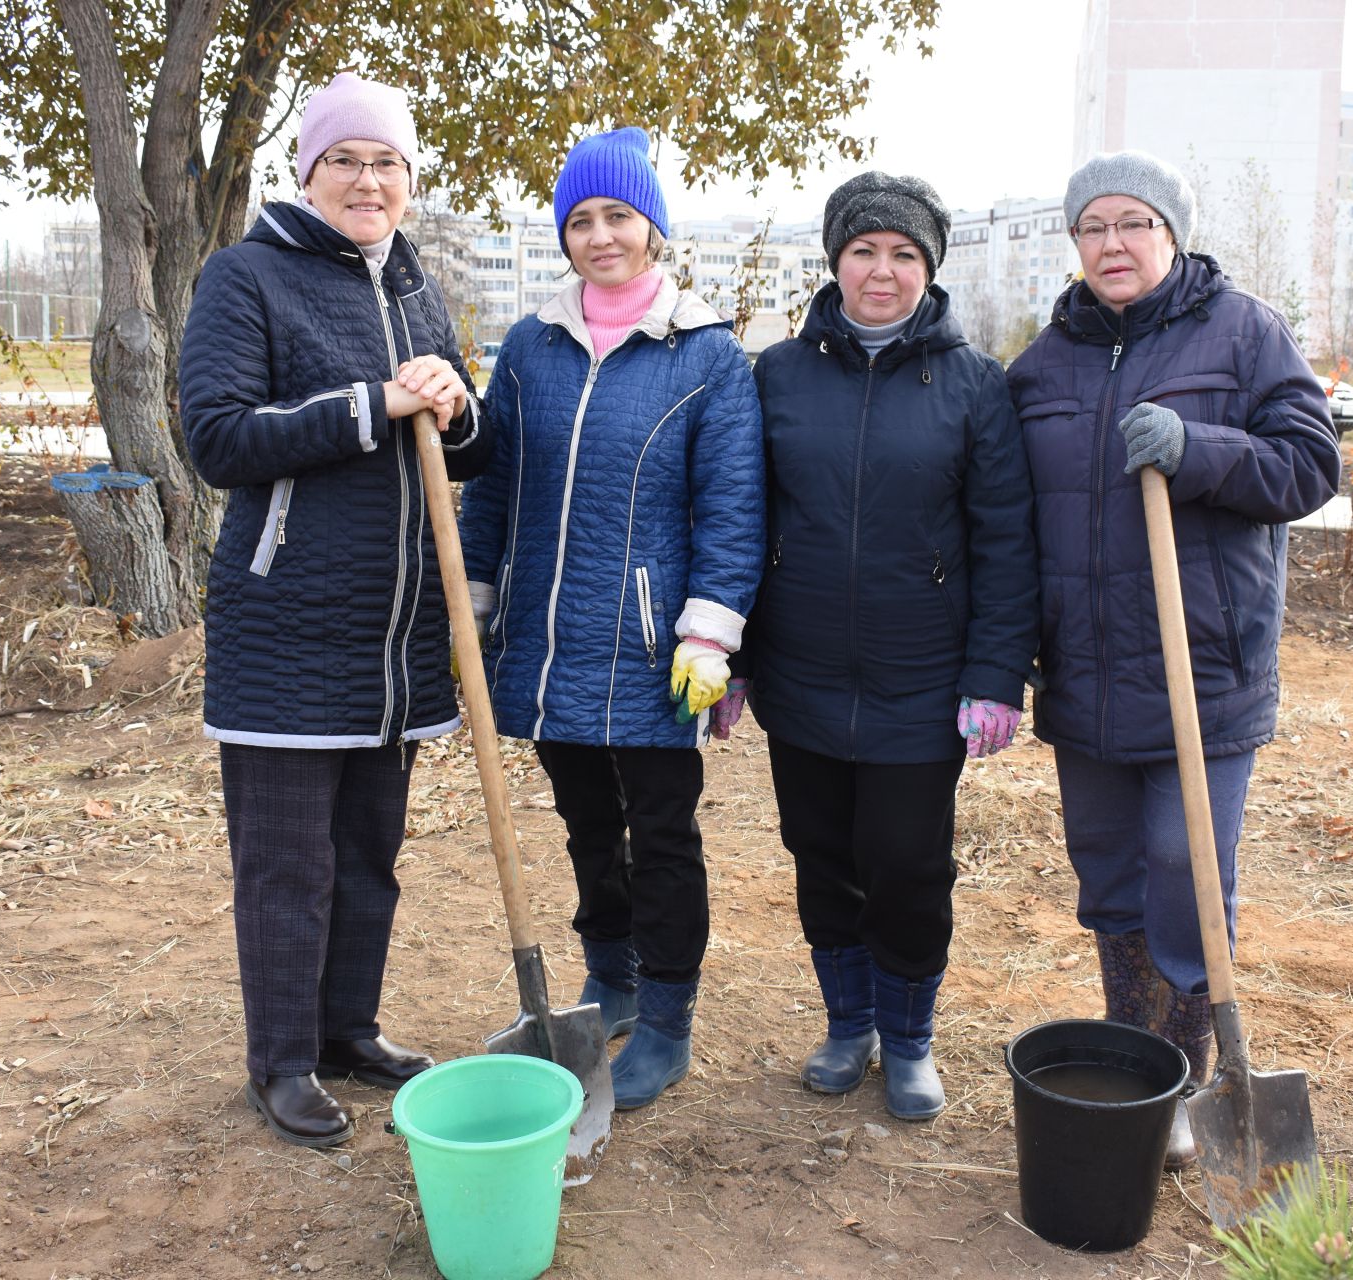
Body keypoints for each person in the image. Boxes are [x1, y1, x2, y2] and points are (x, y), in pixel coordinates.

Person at [1006, 151, 1339, 1165]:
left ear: (1172, 235)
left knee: (1183, 866)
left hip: (1205, 666)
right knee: (1108, 873)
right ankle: (1143, 1066)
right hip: (1086, 669)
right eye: (1094, 227)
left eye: (1133, 223)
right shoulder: (1041, 364)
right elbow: (1009, 514)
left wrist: (1200, 450)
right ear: (1075, 244)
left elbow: (1311, 462)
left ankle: (1191, 1075)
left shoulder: (1243, 332)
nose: (1113, 243)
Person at [177, 72, 487, 1149]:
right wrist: (371, 404)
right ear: (306, 171)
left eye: (388, 163)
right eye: (346, 159)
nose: (368, 179)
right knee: (287, 864)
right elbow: (217, 437)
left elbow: (464, 447)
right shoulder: (246, 278)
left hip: (391, 640)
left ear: (409, 182)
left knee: (367, 853)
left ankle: (348, 1027)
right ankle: (283, 1060)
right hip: (287, 630)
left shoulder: (414, 287)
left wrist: (455, 401)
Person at [457, 127, 764, 1111]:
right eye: (580, 220)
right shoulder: (530, 350)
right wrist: (475, 601)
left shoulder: (706, 356)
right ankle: (614, 970)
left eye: (618, 217)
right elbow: (491, 486)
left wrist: (710, 633)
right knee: (587, 821)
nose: (600, 236)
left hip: (651, 650)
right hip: (547, 645)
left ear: (653, 229)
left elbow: (731, 506)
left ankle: (667, 1014)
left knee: (661, 834)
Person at [731, 172, 1038, 1121]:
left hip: (921, 680)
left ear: (930, 269)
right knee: (819, 854)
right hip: (804, 670)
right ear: (835, 261)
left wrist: (995, 675)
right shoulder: (778, 374)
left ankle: (908, 1041)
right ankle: (846, 1023)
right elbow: (742, 518)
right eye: (865, 250)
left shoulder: (977, 386)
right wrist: (733, 652)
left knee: (907, 864)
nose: (883, 270)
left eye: (905, 254)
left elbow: (1005, 539)